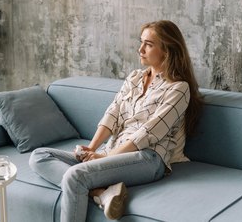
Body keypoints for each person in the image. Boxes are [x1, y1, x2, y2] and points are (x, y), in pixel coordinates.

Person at [29, 20, 203, 221]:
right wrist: (92, 149)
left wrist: (107, 157)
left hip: (148, 158)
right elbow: (112, 114)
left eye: (148, 44)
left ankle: (94, 189)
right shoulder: (135, 78)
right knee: (39, 156)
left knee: (75, 176)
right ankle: (102, 193)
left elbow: (148, 133)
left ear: (167, 50)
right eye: (141, 42)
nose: (140, 49)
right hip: (112, 151)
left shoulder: (178, 89)